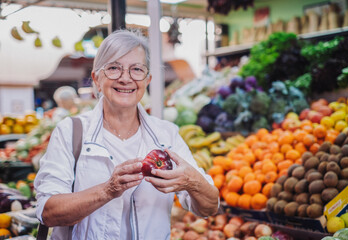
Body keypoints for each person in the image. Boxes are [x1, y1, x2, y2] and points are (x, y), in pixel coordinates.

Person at [34, 29, 219, 239]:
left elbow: (209, 207)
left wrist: (192, 181)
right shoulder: (71, 131)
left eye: (136, 69)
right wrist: (107, 190)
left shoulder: (166, 135)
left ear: (147, 80)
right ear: (96, 79)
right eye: (113, 68)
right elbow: (48, 212)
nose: (125, 78)